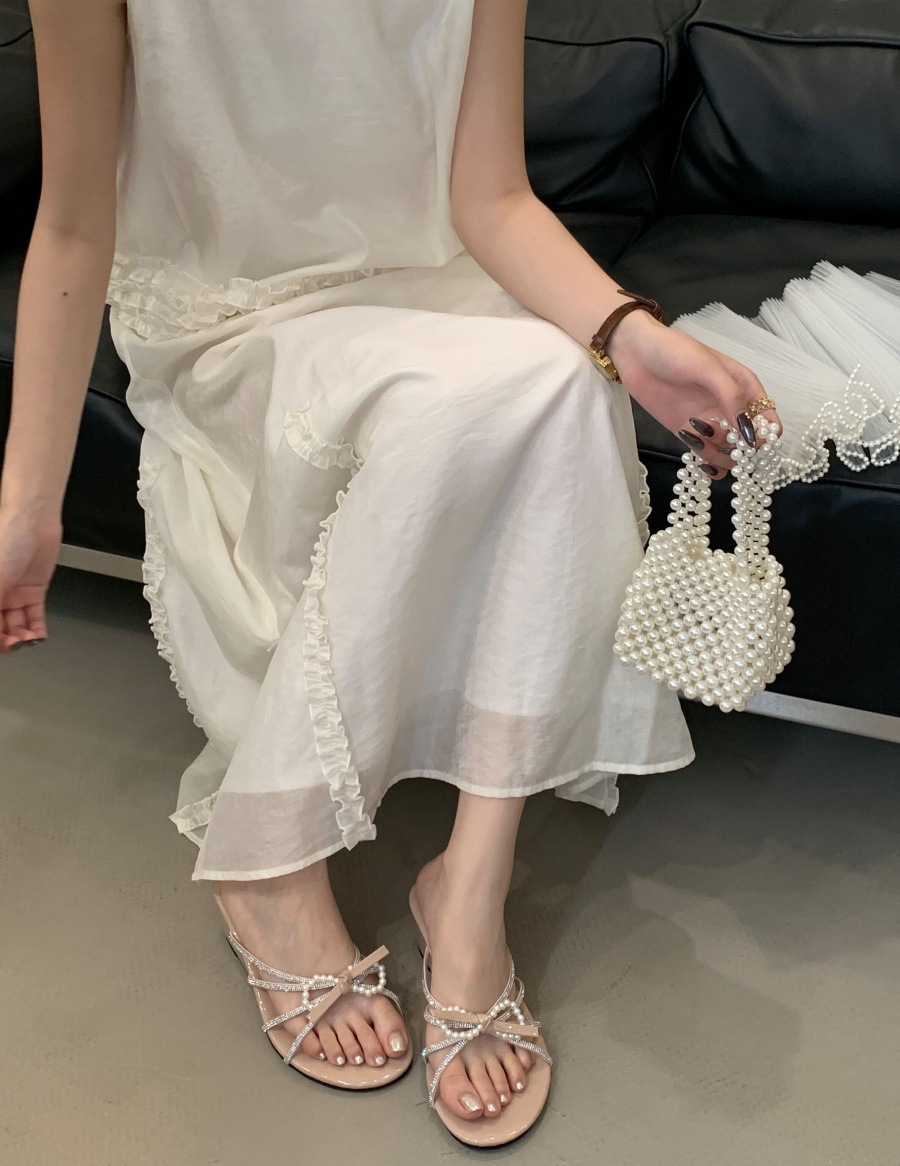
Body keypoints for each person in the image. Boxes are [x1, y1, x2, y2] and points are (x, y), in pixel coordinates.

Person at [0, 0, 784, 1147]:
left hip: (430, 283)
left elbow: (492, 199)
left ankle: (471, 887)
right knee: (497, 398)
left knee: (564, 382)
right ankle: (269, 864)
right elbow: (74, 225)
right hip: (231, 313)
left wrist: (629, 333)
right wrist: (29, 501)